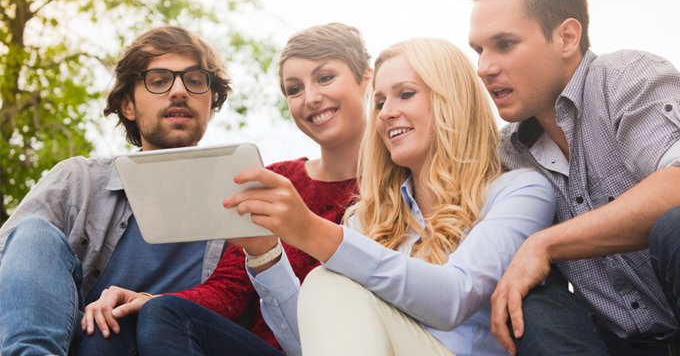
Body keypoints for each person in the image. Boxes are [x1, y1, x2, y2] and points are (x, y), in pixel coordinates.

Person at [139, 38, 556, 356]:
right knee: (324, 284)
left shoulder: (519, 191)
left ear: (453, 98)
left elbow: (453, 298)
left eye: (405, 94)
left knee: (329, 279)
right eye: (380, 101)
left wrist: (313, 232)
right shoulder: (367, 218)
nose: (387, 111)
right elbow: (313, 343)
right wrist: (266, 253)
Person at [464, 0, 680, 355]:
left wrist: (545, 244)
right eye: (479, 50)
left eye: (505, 45)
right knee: (532, 298)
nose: (485, 67)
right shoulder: (509, 154)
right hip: (617, 344)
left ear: (567, 38)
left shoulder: (626, 76)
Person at [86, 23, 370, 356]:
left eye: (324, 78)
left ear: (367, 78)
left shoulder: (402, 187)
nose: (311, 97)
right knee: (129, 322)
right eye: (294, 89)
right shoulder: (275, 180)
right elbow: (228, 290)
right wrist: (151, 301)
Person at [0, 26, 232, 356]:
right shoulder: (77, 180)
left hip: (168, 344)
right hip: (73, 342)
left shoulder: (243, 199)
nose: (179, 91)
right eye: (159, 80)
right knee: (32, 234)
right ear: (128, 106)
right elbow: (10, 270)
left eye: (195, 81)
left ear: (211, 106)